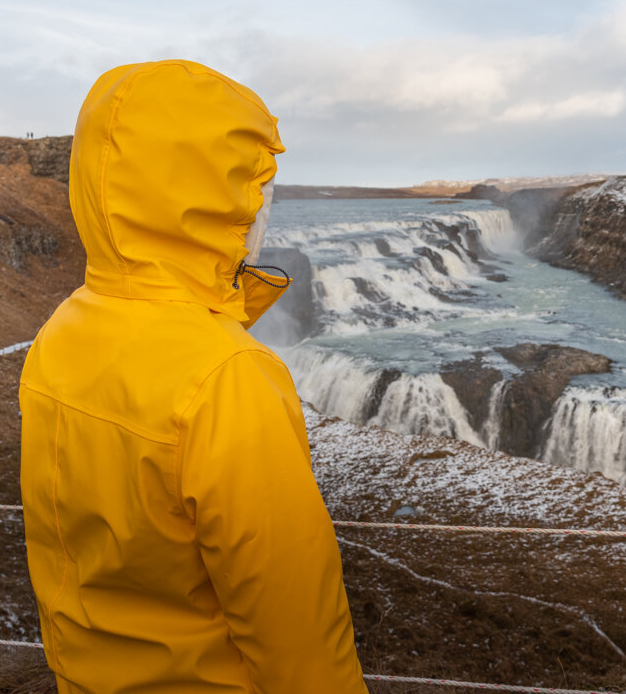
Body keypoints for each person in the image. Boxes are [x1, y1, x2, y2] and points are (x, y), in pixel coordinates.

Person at [19, 59, 368, 693]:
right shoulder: (227, 377)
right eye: (254, 187)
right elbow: (299, 635)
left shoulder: (63, 331)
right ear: (211, 203)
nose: (265, 208)